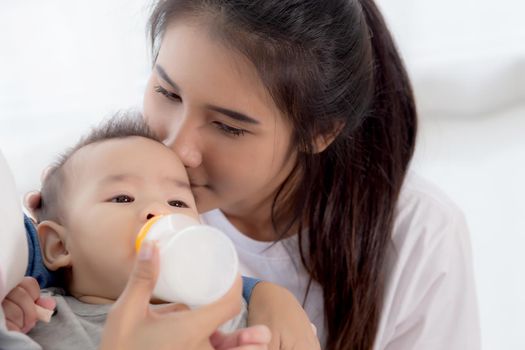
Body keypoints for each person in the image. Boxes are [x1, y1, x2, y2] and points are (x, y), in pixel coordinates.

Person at [8, 0, 481, 349]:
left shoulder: (419, 236)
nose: (177, 149)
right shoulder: (99, 181)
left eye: (229, 126)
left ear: (319, 133)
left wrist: (266, 302)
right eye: (168, 93)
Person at [1, 115, 281, 349]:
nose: (161, 211)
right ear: (58, 246)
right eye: (123, 198)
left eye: (177, 202)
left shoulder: (228, 311)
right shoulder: (38, 318)